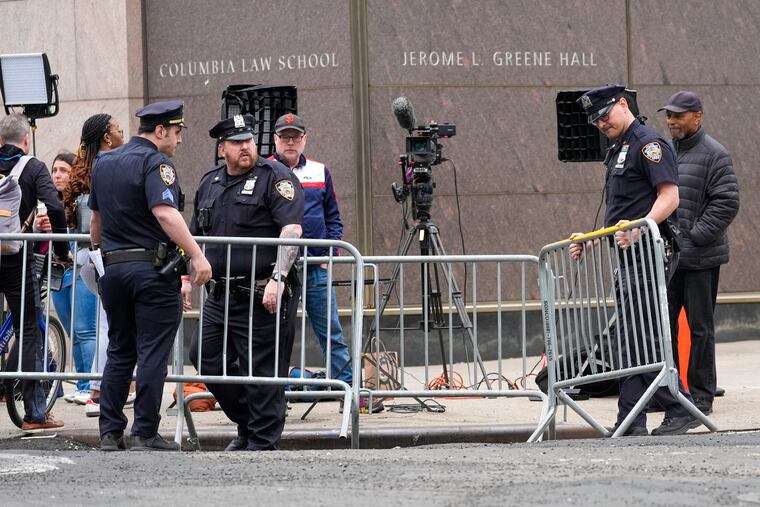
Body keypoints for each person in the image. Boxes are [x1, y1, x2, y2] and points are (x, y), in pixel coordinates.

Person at [569, 85, 699, 436]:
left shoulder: (648, 143)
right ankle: (641, 417)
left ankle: (656, 411)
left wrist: (642, 229)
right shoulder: (618, 148)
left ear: (623, 104)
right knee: (637, 337)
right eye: (594, 120)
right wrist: (593, 240)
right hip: (629, 255)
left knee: (637, 337)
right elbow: (622, 212)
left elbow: (669, 197)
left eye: (604, 115)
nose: (600, 123)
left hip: (649, 253)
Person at [89, 100, 212, 451]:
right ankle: (144, 431)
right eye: (176, 133)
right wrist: (197, 255)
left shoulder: (104, 162)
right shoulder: (156, 162)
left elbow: (95, 224)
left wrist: (105, 257)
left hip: (113, 270)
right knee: (153, 352)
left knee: (120, 350)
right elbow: (166, 214)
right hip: (150, 273)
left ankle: (110, 433)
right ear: (160, 131)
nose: (179, 140)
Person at [186, 114, 304, 451]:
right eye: (237, 142)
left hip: (262, 292)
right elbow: (194, 235)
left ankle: (262, 443)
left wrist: (279, 278)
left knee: (262, 372)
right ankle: (249, 423)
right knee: (206, 359)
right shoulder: (210, 183)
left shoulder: (274, 177)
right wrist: (184, 275)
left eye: (249, 141)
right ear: (222, 148)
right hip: (221, 294)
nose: (245, 148)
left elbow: (292, 229)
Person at [658, 91, 740, 415]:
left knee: (700, 328)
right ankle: (673, 392)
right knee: (666, 327)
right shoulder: (665, 152)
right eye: (669, 115)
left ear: (698, 117)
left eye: (678, 115)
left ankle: (702, 397)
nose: (671, 121)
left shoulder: (715, 154)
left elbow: (727, 202)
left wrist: (694, 236)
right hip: (670, 258)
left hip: (701, 258)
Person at [270, 114, 357, 393]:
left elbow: (333, 218)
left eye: (296, 137)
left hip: (315, 266)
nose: (291, 142)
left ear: (305, 139)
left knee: (331, 331)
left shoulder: (321, 171)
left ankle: (347, 388)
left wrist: (329, 254)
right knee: (273, 333)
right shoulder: (265, 170)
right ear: (276, 140)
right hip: (274, 271)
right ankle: (272, 388)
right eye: (285, 137)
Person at [62, 114, 136, 417]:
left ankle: (98, 386)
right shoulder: (109, 167)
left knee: (107, 323)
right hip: (102, 254)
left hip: (89, 255)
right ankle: (103, 387)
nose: (122, 134)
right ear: (107, 137)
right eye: (118, 130)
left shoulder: (86, 171)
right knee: (109, 324)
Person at [0, 113, 69, 431]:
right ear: (26, 140)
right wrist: (62, 250)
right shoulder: (32, 167)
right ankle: (34, 413)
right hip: (15, 260)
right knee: (29, 330)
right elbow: (54, 207)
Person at [37, 150, 98, 405]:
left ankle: (90, 384)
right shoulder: (49, 202)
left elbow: (86, 231)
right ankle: (84, 383)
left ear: (75, 172)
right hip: (58, 272)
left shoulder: (81, 199)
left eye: (63, 170)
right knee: (72, 329)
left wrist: (62, 227)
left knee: (86, 329)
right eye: (54, 170)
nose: (58, 175)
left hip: (79, 268)